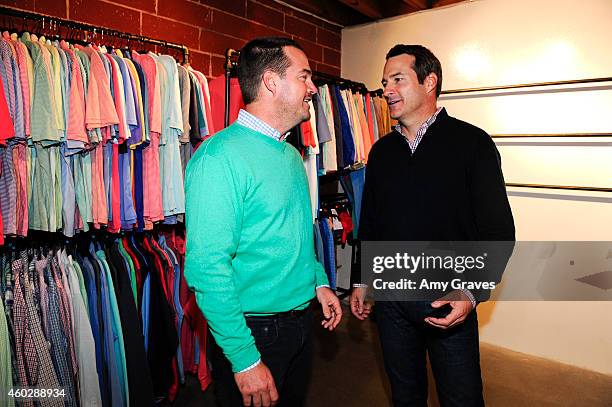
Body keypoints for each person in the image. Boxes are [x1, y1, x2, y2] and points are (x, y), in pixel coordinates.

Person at [350, 44, 515, 406]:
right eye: (384, 82)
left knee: (461, 398)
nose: (387, 90)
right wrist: (361, 279)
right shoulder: (381, 152)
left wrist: (471, 292)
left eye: (398, 80)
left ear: (429, 82)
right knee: (405, 395)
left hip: (446, 299)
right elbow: (371, 222)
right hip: (391, 300)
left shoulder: (472, 144)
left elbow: (499, 232)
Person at [184, 37, 342, 407]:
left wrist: (317, 282)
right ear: (272, 81)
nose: (313, 88)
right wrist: (245, 359)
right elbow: (207, 269)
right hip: (254, 332)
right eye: (304, 76)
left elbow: (294, 236)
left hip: (301, 323)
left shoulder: (289, 153)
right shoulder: (218, 158)